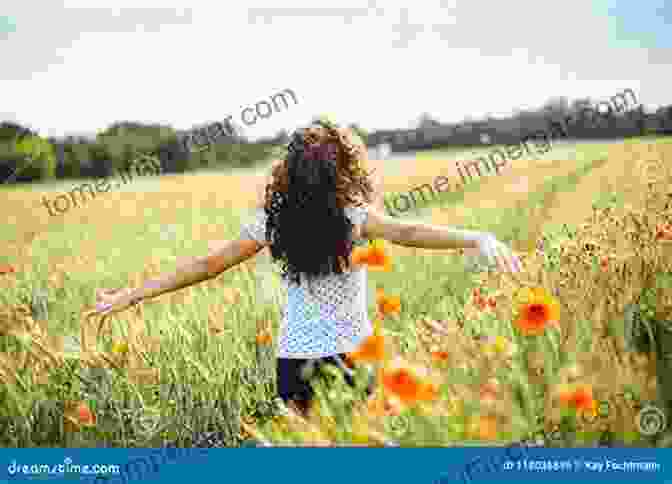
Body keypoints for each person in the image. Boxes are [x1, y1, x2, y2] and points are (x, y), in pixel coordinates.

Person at [86, 118, 520, 417]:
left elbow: (207, 265)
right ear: (344, 168)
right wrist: (476, 238)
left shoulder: (272, 222)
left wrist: (131, 295)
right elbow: (407, 232)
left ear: (289, 170)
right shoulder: (353, 215)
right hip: (352, 359)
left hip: (295, 364)